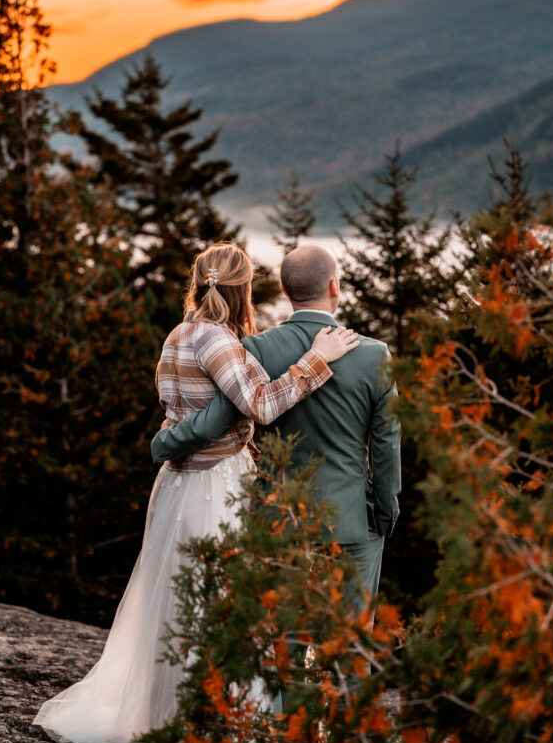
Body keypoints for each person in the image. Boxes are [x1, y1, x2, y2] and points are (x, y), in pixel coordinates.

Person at [32, 242, 358, 743]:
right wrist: (317, 360)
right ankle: (210, 723)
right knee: (218, 602)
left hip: (178, 483)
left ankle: (169, 714)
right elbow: (262, 405)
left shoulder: (178, 334)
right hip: (214, 486)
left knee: (175, 604)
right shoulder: (218, 342)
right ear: (242, 289)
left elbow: (175, 415)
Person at [151, 243, 402, 625]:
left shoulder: (253, 349)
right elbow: (386, 445)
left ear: (285, 292)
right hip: (352, 521)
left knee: (286, 640)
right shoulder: (373, 354)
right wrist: (383, 517)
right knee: (351, 644)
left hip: (276, 518)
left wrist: (165, 440)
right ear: (335, 287)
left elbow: (212, 418)